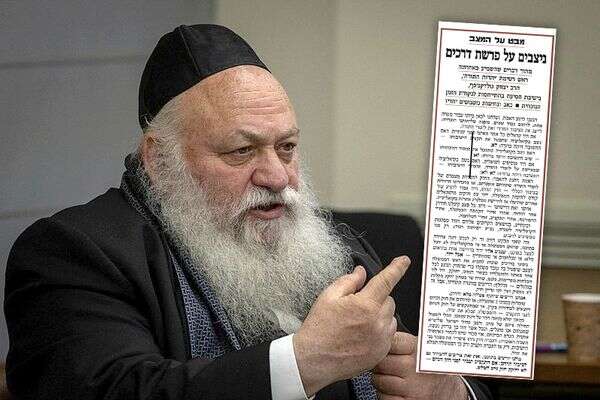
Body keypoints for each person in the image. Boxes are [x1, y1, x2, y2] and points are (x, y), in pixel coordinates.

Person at [4, 25, 491, 399]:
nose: (277, 177)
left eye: (287, 147)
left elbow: (446, 379)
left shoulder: (335, 249)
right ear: (159, 160)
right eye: (241, 151)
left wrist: (450, 391)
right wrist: (303, 362)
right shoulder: (73, 253)